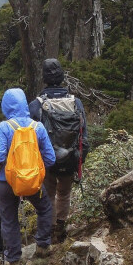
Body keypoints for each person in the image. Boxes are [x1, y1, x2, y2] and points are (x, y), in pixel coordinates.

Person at [0, 88, 56, 265]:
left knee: (9, 219)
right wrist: (34, 168)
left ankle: (13, 261)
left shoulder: (4, 127)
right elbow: (50, 158)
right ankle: (43, 247)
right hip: (33, 182)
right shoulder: (38, 127)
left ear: (5, 106)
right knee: (44, 208)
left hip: (7, 181)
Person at [28, 59, 89, 243]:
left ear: (44, 78)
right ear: (62, 76)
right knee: (64, 193)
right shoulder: (75, 102)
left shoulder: (36, 105)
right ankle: (61, 228)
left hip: (47, 159)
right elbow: (83, 133)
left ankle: (50, 228)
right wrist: (81, 158)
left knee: (49, 193)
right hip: (71, 157)